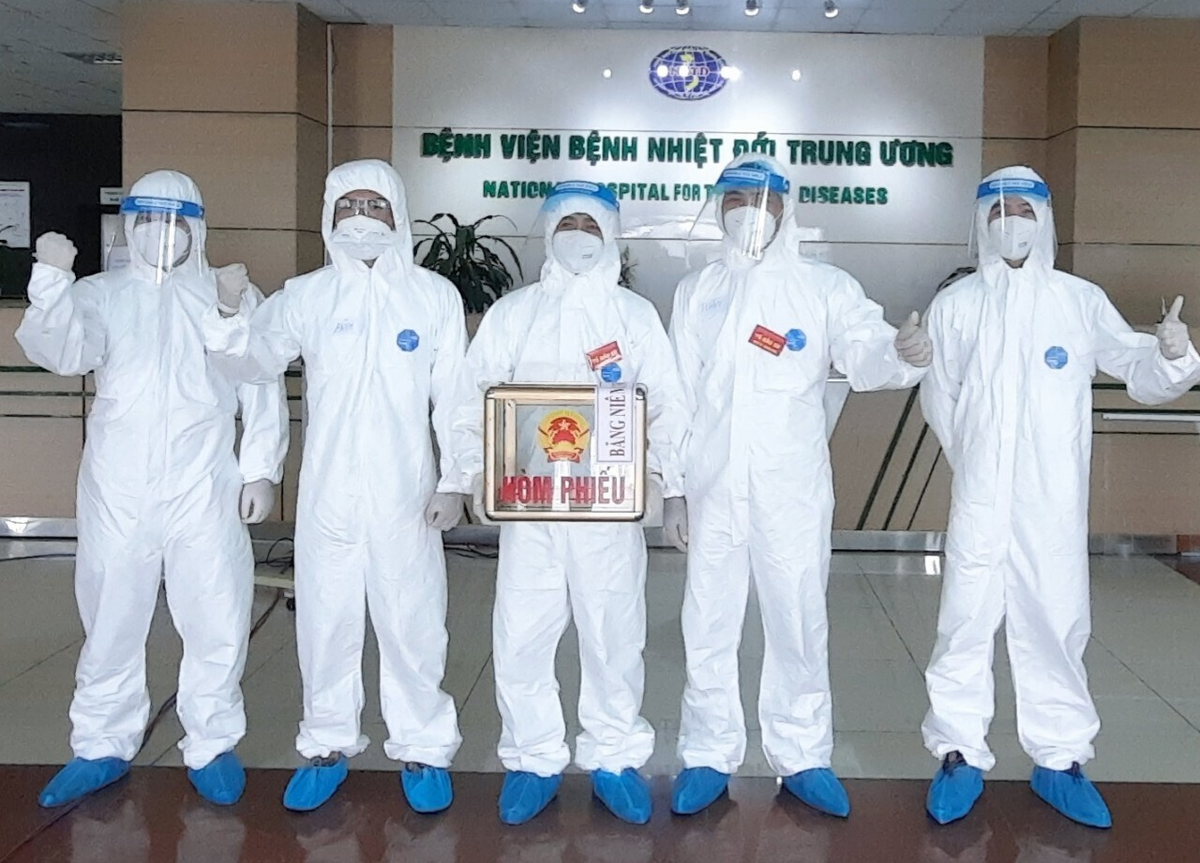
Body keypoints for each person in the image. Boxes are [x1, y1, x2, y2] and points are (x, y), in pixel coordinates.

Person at [919, 165, 1200, 829]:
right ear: (981, 221)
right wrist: (977, 462)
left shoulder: (1078, 300)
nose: (1011, 221)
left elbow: (1137, 368)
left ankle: (1060, 756)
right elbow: (940, 398)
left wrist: (1172, 354)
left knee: (1056, 618)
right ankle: (957, 751)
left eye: (1023, 209)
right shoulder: (956, 305)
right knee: (963, 620)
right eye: (998, 211)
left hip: (1052, 501)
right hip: (981, 497)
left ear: (1044, 218)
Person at [665, 154, 932, 818]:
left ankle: (803, 752)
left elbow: (865, 349)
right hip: (713, 487)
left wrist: (899, 351)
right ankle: (707, 751)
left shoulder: (824, 287)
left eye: (761, 199)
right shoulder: (698, 291)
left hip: (791, 489)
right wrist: (672, 488)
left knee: (798, 619)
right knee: (708, 620)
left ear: (788, 208)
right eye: (733, 200)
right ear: (717, 208)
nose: (747, 211)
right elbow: (676, 396)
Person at [203, 159, 469, 813]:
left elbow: (456, 397)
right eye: (348, 205)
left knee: (413, 622)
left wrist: (457, 479)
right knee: (325, 621)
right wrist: (228, 313)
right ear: (328, 216)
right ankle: (326, 742)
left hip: (407, 494)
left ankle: (423, 747)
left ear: (398, 213)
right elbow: (252, 363)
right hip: (328, 496)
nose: (361, 217)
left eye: (374, 205)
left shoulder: (433, 296)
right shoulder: (307, 295)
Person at [18, 170, 289, 808]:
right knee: (112, 611)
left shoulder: (229, 293)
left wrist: (260, 468)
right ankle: (100, 743)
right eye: (147, 220)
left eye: (174, 222)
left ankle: (212, 742)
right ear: (129, 225)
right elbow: (60, 353)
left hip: (205, 480)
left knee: (216, 609)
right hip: (119, 484)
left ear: (197, 228)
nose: (160, 234)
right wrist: (50, 280)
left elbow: (261, 383)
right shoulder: (100, 293)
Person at [449, 180, 688, 826]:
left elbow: (667, 403)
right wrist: (475, 472)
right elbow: (473, 397)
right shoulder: (514, 314)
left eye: (591, 224)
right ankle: (532, 758)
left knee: (614, 635)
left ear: (611, 235)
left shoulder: (634, 317)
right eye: (567, 223)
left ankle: (613, 755)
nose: (579, 235)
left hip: (608, 514)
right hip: (531, 512)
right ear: (548, 230)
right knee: (522, 634)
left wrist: (661, 478)